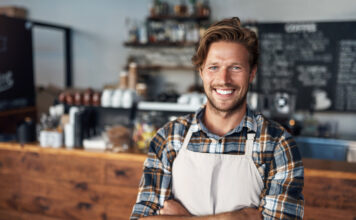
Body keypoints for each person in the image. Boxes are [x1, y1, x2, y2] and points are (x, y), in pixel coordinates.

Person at [130, 17, 304, 220]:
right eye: (214, 67)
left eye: (235, 67)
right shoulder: (169, 138)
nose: (224, 79)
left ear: (252, 73)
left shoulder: (277, 144)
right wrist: (234, 217)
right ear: (201, 72)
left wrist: (182, 217)